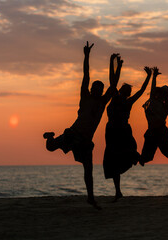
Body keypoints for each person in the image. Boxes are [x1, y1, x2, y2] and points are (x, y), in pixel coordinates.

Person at [43, 42, 115, 208]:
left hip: (85, 141)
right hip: (73, 134)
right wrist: (87, 55)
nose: (99, 91)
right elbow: (86, 75)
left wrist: (113, 64)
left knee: (88, 169)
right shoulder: (86, 97)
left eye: (101, 89)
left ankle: (90, 197)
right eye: (96, 88)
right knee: (50, 147)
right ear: (91, 89)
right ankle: (50, 137)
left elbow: (113, 85)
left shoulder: (102, 103)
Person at [103, 53, 152, 201]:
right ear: (120, 91)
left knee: (123, 155)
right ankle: (118, 191)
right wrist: (114, 62)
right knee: (112, 163)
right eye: (125, 90)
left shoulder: (128, 102)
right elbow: (113, 80)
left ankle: (136, 157)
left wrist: (148, 76)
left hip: (122, 131)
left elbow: (142, 90)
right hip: (112, 131)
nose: (127, 92)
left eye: (128, 91)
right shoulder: (115, 97)